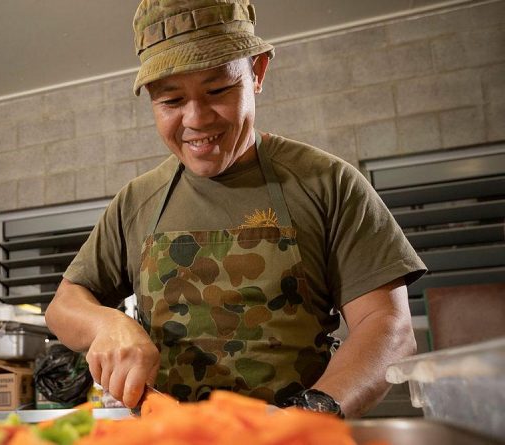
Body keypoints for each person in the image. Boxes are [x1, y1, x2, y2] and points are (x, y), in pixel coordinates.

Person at [45, 0, 426, 418]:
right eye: (171, 101)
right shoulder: (138, 201)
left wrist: (312, 414)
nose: (197, 119)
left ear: (257, 72)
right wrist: (108, 324)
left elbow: (386, 327)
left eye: (218, 90)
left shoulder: (328, 184)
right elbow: (64, 305)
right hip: (171, 433)